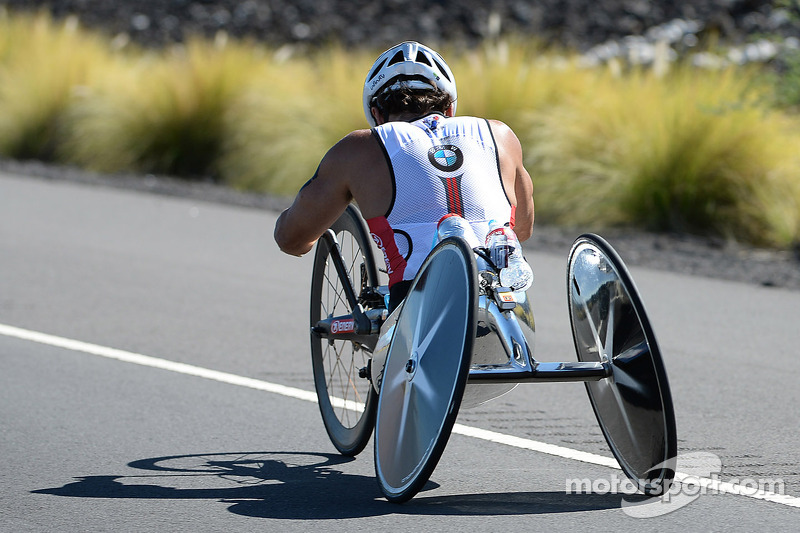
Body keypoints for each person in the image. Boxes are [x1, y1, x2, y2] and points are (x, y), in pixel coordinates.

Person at [274, 41, 534, 310]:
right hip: (509, 303)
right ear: (448, 110)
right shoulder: (500, 134)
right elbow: (524, 229)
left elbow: (291, 240)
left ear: (376, 114)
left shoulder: (358, 148)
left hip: (418, 307)